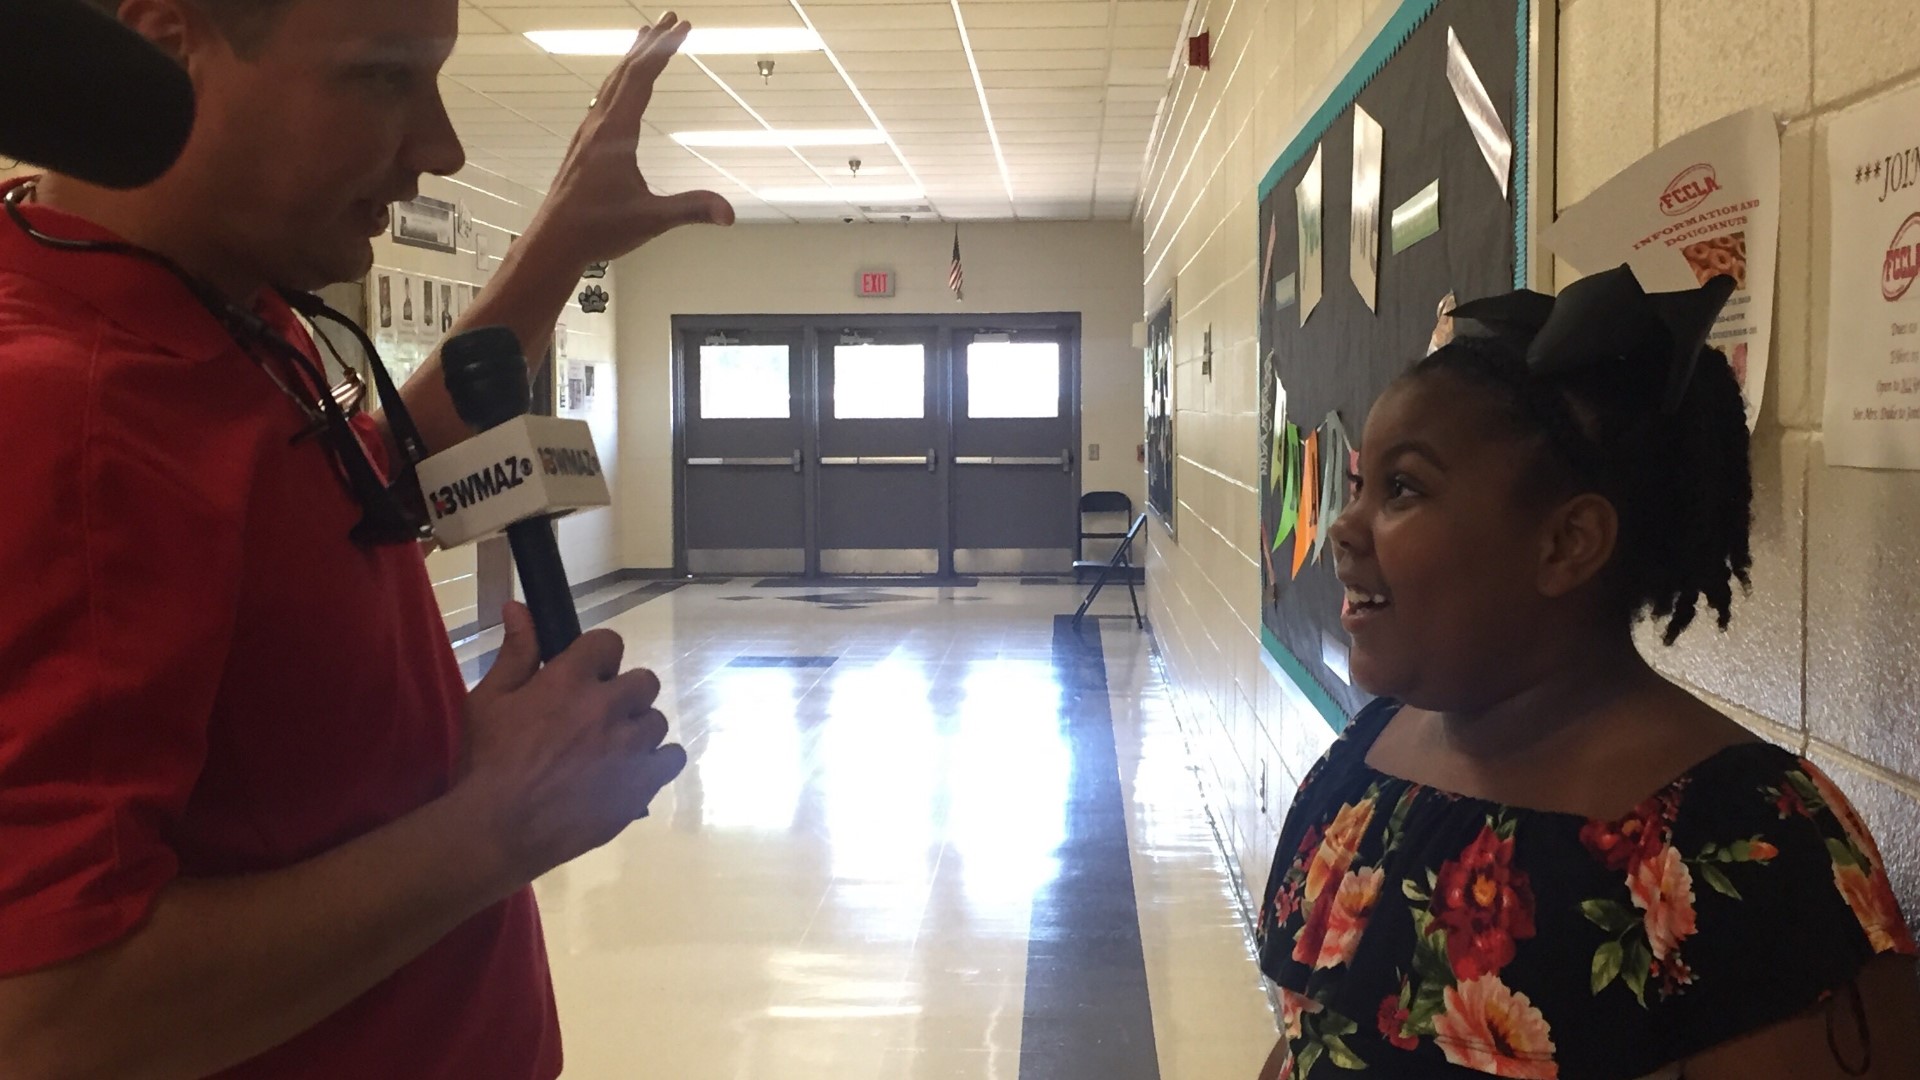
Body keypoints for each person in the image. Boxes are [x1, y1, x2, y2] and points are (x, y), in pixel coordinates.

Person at [0, 1, 734, 1077]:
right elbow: (49, 1021)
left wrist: (561, 243)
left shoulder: (217, 304)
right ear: (161, 40)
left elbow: (349, 498)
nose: (443, 147)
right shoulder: (68, 416)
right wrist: (497, 822)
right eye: (384, 77)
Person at [1252, 267, 1920, 1079]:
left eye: (1402, 489)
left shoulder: (1753, 849)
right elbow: (1307, 1045)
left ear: (1568, 544)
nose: (1345, 528)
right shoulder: (1362, 767)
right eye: (1360, 486)